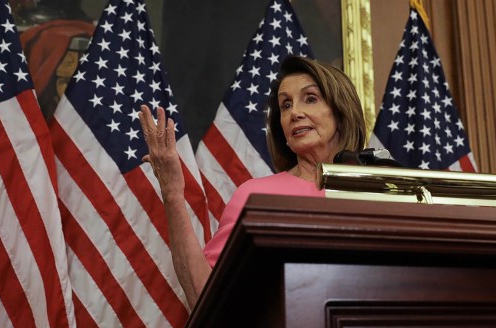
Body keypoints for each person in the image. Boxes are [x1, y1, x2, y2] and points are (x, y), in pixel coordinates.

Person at [139, 56, 367, 309]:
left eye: (310, 99)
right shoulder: (256, 195)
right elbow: (203, 295)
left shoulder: (380, 191)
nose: (295, 113)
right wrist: (172, 193)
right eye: (285, 105)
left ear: (341, 110)